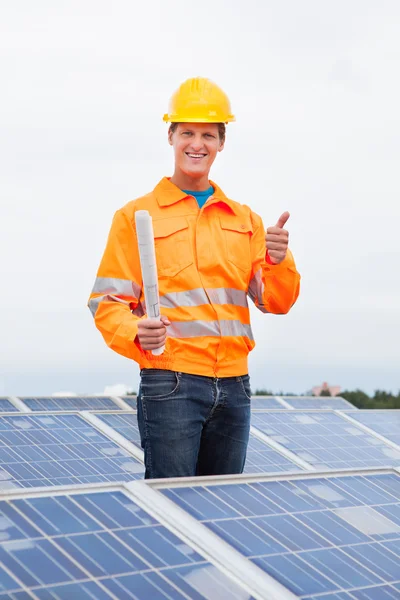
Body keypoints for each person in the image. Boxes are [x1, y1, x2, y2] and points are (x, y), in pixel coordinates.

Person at [88, 77, 300, 479]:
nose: (196, 143)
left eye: (208, 134)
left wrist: (278, 259)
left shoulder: (245, 220)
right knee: (174, 511)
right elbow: (105, 302)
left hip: (235, 385)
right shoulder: (135, 216)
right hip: (172, 383)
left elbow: (277, 301)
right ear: (170, 136)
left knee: (218, 513)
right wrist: (136, 331)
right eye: (187, 132)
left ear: (222, 142)